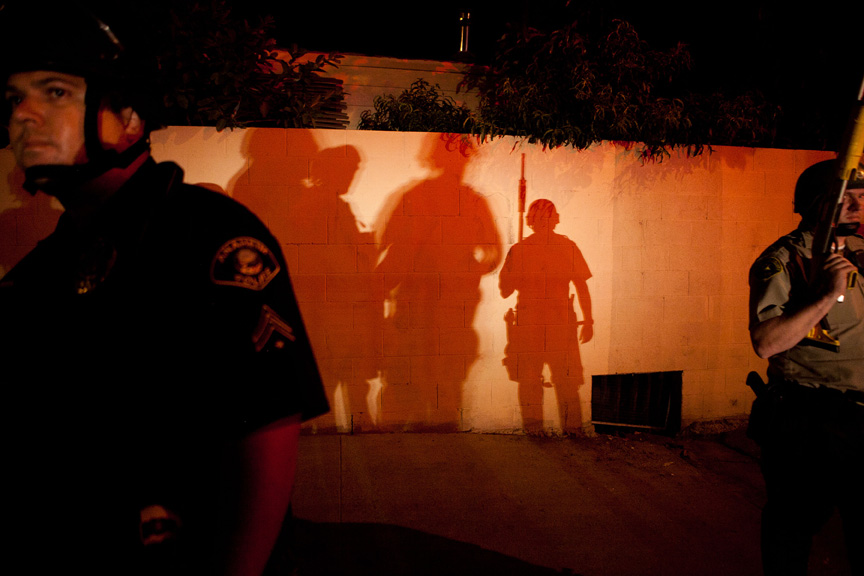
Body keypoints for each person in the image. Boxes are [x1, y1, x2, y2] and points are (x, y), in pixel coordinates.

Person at [0, 3, 328, 575]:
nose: (24, 116)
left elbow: (267, 428)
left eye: (54, 93)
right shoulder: (45, 267)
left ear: (128, 114)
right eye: (13, 99)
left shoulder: (208, 237)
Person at [748, 159, 864, 576]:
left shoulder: (861, 253)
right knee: (791, 533)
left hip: (860, 419)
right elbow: (766, 343)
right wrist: (826, 296)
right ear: (816, 204)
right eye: (845, 198)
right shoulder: (785, 260)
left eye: (862, 197)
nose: (857, 205)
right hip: (810, 420)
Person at [499, 199, 593, 432]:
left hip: (545, 323)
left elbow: (504, 291)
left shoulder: (524, 249)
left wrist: (589, 321)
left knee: (547, 382)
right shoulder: (526, 249)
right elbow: (506, 290)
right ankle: (562, 432)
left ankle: (547, 432)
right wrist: (588, 321)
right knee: (545, 381)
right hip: (547, 323)